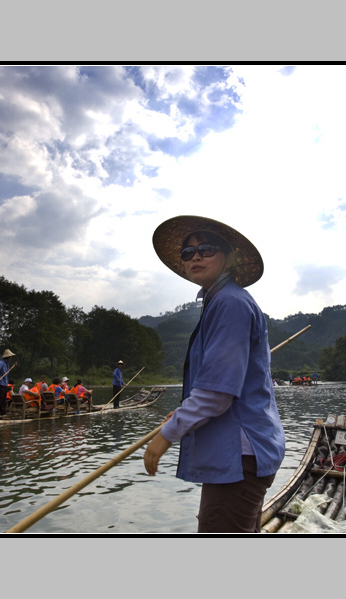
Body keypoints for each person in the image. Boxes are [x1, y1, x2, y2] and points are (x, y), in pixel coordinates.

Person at [143, 215, 285, 533]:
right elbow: (213, 386)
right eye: (187, 252)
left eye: (206, 248)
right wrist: (180, 416)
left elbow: (216, 394)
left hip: (240, 455)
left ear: (229, 257)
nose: (195, 256)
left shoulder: (230, 304)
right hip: (242, 454)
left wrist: (164, 438)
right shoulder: (220, 301)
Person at [0, 349, 16, 416]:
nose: (11, 358)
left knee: (3, 399)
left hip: (4, 384)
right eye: (10, 357)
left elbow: (6, 372)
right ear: (8, 357)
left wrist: (13, 365)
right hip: (0, 384)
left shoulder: (6, 364)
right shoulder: (1, 363)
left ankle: (3, 411)